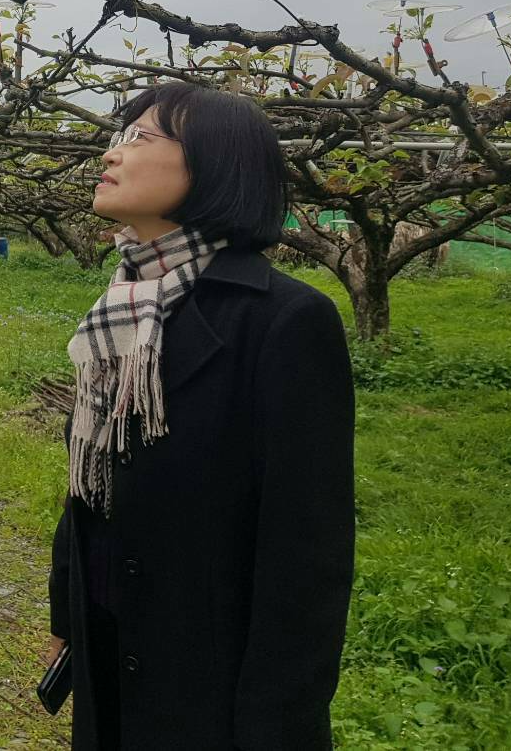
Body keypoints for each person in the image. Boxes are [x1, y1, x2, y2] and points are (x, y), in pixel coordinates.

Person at [45, 81, 354, 750]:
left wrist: (276, 720)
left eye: (142, 137)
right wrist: (68, 608)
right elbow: (89, 478)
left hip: (207, 675)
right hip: (110, 640)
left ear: (215, 165)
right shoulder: (123, 306)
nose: (113, 152)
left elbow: (307, 552)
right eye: (118, 134)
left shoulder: (284, 320)